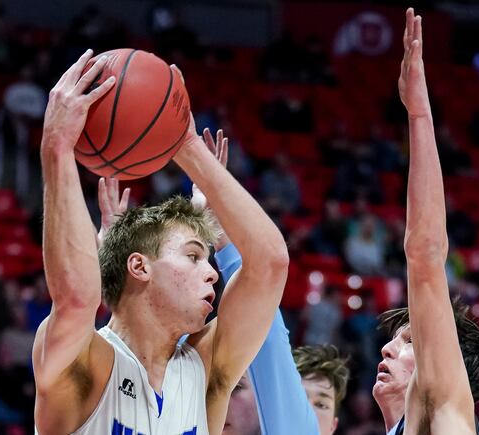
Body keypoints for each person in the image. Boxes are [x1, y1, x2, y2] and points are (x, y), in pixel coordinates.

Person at [32, 50, 289, 434]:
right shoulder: (86, 364)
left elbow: (270, 264)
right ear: (139, 266)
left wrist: (186, 142)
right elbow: (76, 299)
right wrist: (57, 148)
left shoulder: (206, 371)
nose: (212, 274)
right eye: (193, 256)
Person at [100, 130, 348, 435]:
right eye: (193, 257)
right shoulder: (155, 373)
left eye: (320, 404)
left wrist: (192, 152)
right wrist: (115, 269)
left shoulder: (219, 374)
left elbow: (268, 273)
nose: (303, 407)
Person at [371, 9, 479, 435]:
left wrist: (418, 115)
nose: (388, 348)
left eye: (410, 341)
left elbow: (425, 255)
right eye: (398, 338)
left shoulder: (445, 410)